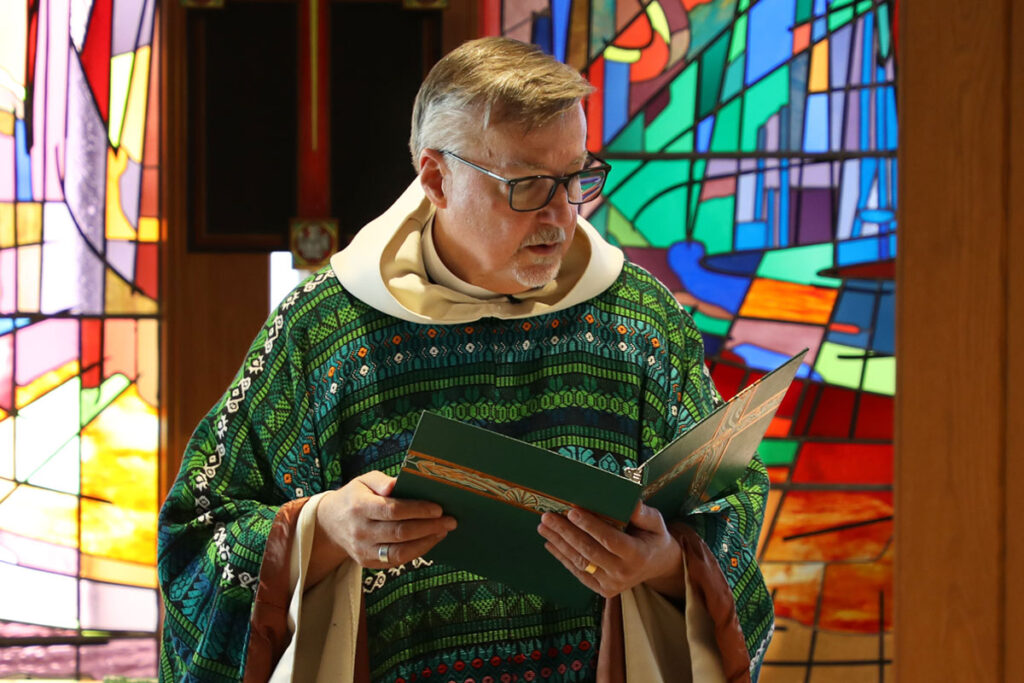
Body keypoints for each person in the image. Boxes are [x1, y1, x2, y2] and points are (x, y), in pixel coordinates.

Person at [158, 37, 773, 683]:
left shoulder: (640, 320)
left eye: (577, 178)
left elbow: (730, 499)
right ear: (435, 178)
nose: (561, 217)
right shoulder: (326, 331)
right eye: (529, 185)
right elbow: (197, 535)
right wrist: (323, 527)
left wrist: (664, 562)